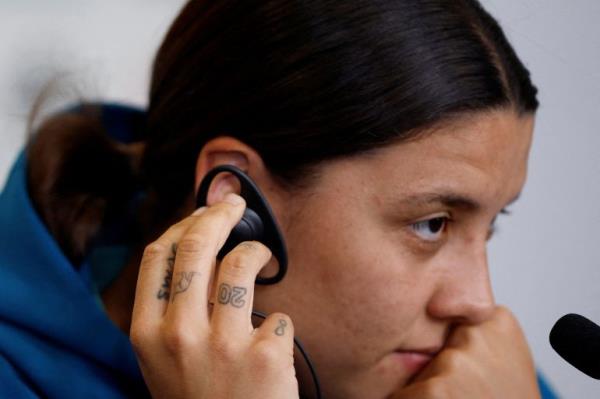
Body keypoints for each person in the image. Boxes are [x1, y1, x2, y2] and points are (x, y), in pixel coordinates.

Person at [0, 0, 560, 398]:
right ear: (236, 206)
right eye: (432, 225)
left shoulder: (471, 376)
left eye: (489, 228)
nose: (478, 303)